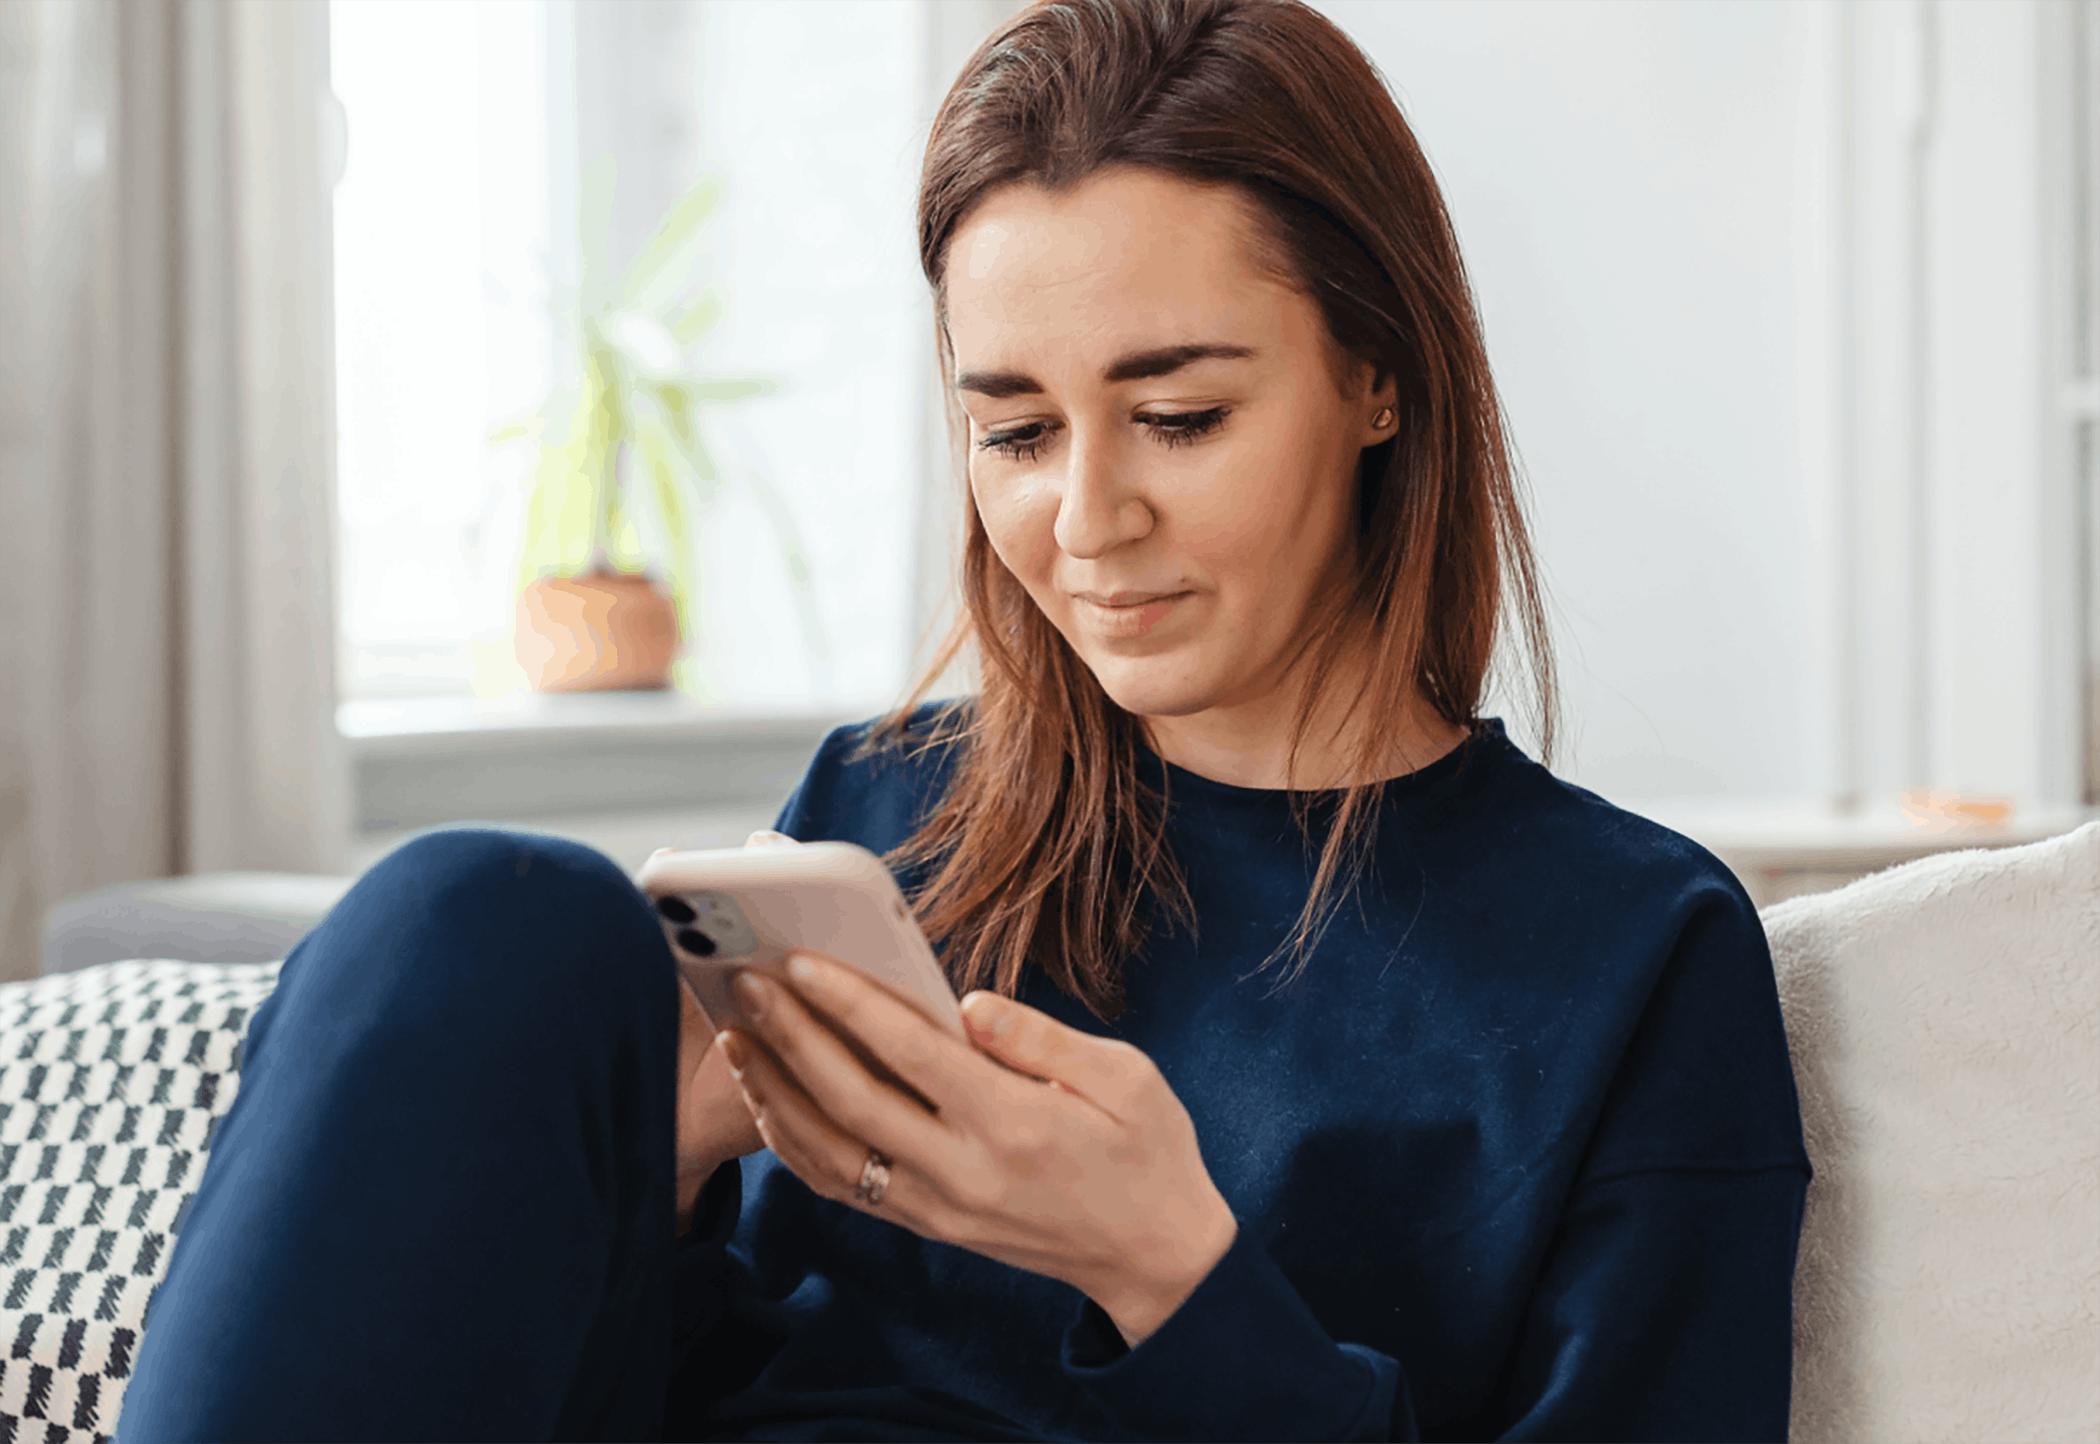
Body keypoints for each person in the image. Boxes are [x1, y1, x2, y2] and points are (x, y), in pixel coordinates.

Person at [119, 0, 1811, 1439]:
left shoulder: (1637, 959)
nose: (1087, 519)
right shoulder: (876, 812)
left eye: (1178, 415)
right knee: (483, 916)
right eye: (1015, 432)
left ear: (1380, 380)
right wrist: (681, 1174)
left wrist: (1166, 1273)